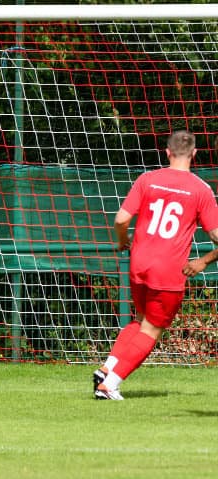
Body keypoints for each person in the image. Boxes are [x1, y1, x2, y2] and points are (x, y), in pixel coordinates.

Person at [93, 130, 218, 400]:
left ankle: (107, 369)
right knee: (151, 330)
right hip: (168, 270)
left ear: (167, 152)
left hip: (139, 264)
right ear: (195, 154)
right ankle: (110, 384)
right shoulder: (201, 190)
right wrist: (203, 261)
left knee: (140, 320)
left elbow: (121, 219)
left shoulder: (147, 179)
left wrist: (122, 240)